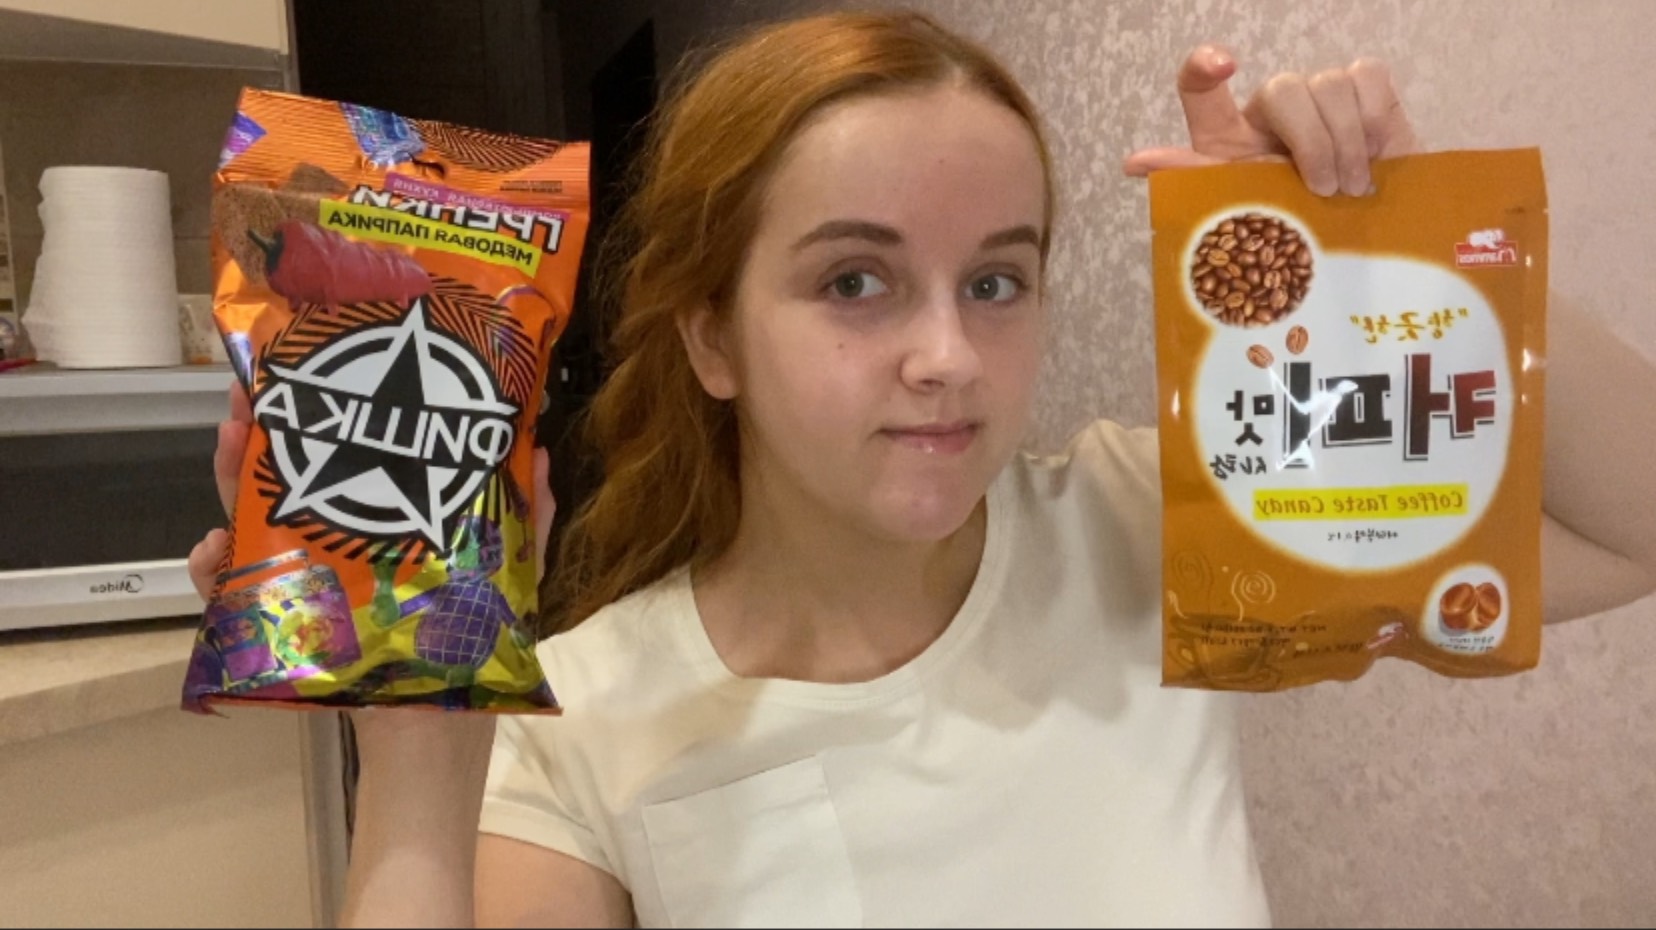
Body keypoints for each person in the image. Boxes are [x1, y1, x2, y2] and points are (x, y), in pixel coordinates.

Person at [190, 11, 1655, 928]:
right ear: (712, 334)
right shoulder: (578, 723)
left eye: (997, 281)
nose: (949, 354)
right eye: (855, 282)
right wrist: (414, 754)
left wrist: (1393, 243)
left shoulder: (1162, 527)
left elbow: (1634, 523)